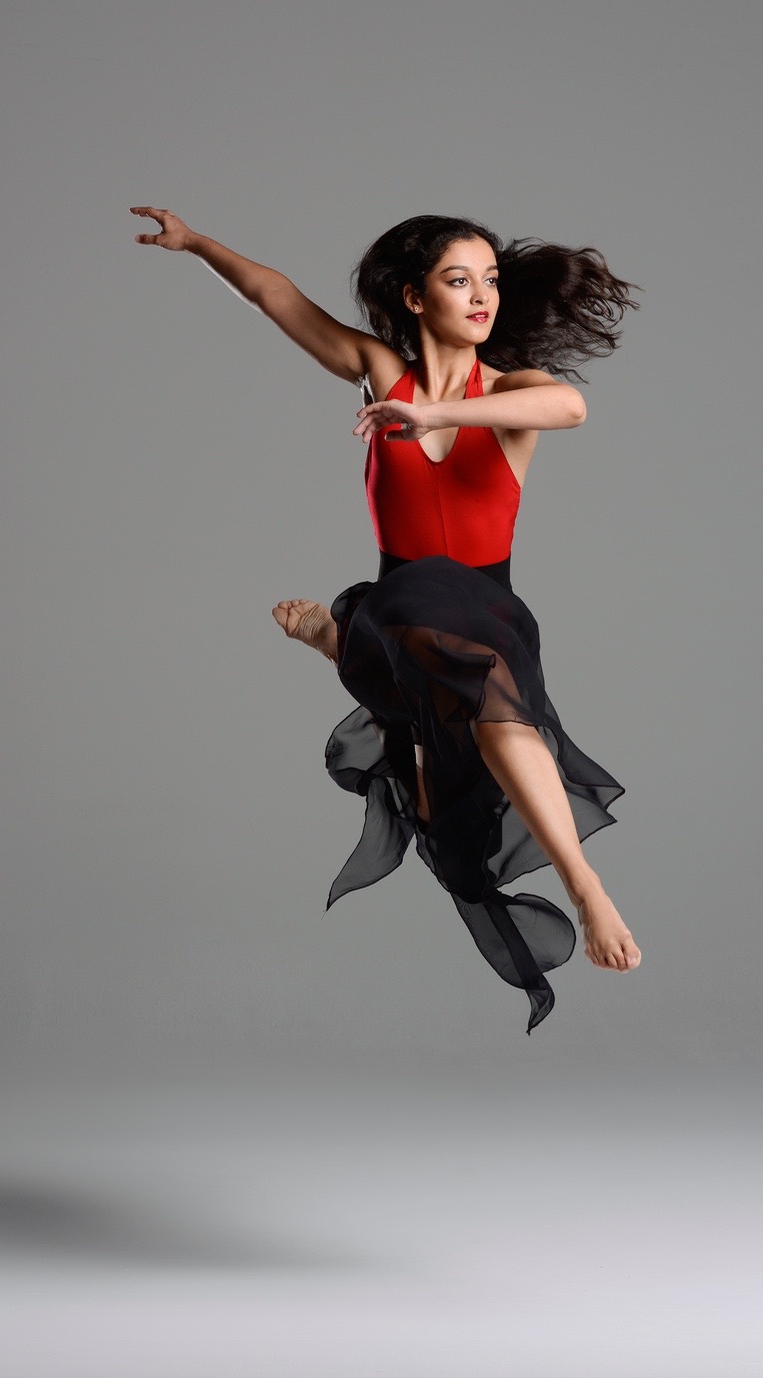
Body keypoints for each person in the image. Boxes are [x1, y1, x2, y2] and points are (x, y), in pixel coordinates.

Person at [132, 206, 642, 1033]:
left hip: (483, 604)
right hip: (405, 593)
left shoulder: (510, 392)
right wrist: (196, 245)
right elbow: (275, 296)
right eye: (457, 280)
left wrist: (441, 418)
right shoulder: (378, 372)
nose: (481, 296)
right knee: (459, 682)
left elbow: (572, 409)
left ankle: (350, 646)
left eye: (491, 280)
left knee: (453, 833)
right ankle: (360, 644)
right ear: (412, 297)